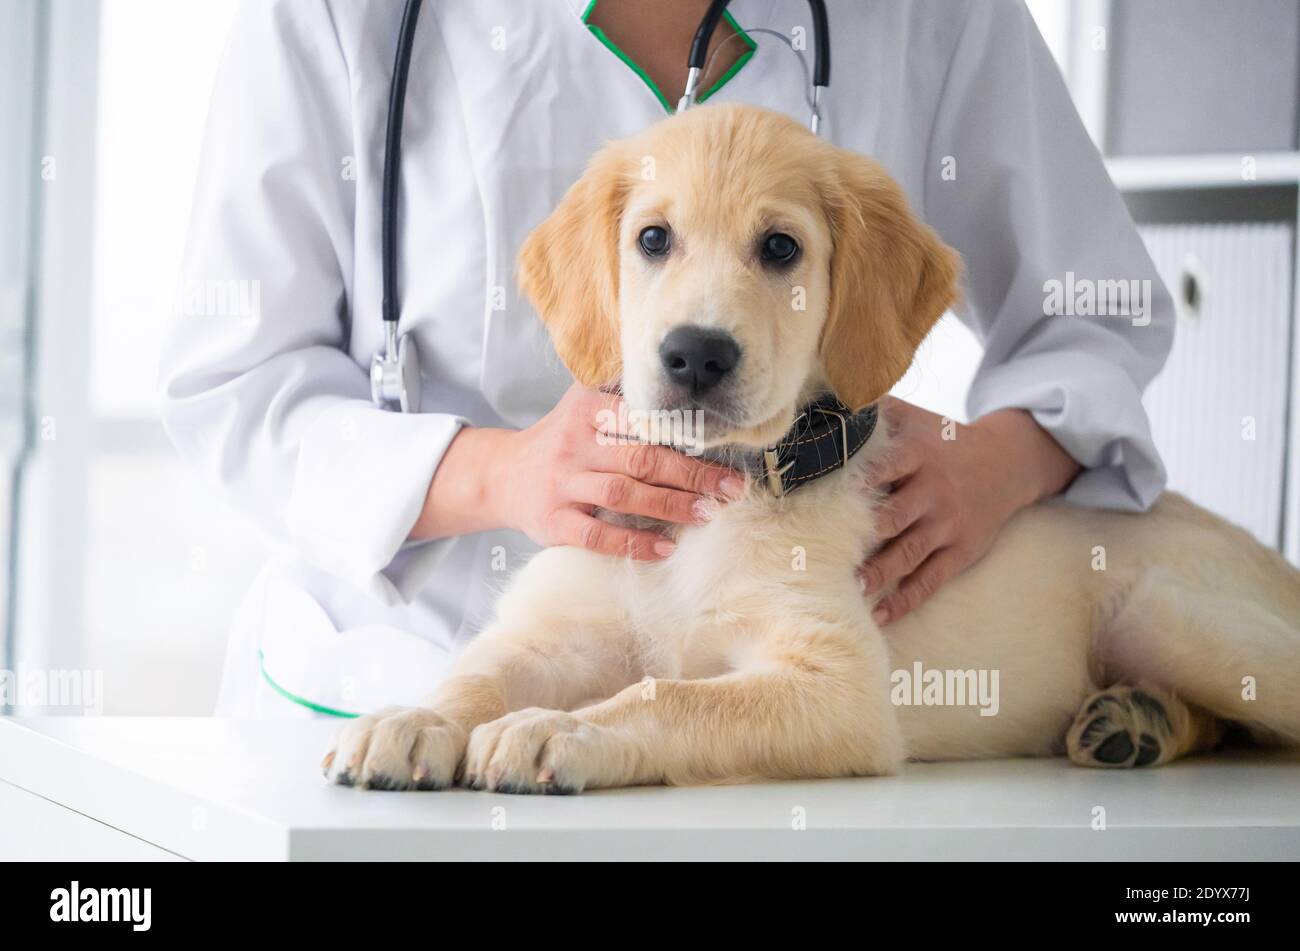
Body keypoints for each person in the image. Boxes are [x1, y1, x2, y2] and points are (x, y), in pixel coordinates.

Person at [161, 0, 1173, 718]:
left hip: (746, 707)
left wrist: (1003, 458)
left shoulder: (930, 15)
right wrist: (500, 472)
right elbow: (237, 378)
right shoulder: (336, 13)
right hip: (388, 668)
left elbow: (1095, 309)